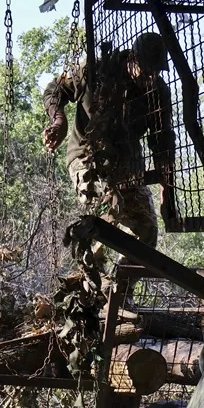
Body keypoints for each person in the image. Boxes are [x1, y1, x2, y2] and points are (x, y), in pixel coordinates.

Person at [42, 31, 176, 259]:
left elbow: (162, 142)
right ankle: (94, 275)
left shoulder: (158, 91)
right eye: (146, 69)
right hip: (88, 157)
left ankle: (119, 288)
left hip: (128, 167)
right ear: (132, 58)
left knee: (147, 232)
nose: (150, 76)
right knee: (106, 210)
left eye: (156, 71)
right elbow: (54, 90)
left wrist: (168, 193)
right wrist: (59, 121)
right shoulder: (96, 70)